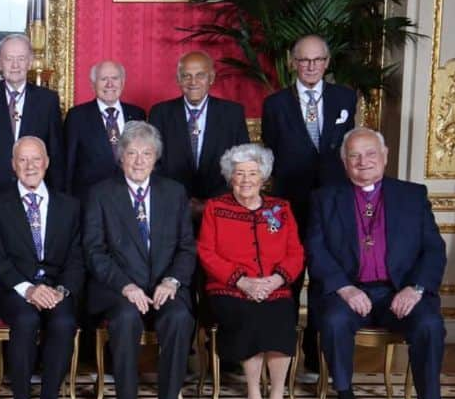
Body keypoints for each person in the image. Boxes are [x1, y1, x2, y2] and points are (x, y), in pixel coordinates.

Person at [307, 128, 449, 399]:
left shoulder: (412, 195)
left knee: (429, 323)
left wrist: (415, 288)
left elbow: (434, 249)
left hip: (400, 291)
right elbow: (316, 250)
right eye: (354, 155)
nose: (363, 161)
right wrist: (344, 288)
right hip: (350, 291)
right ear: (344, 162)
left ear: (384, 157)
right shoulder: (324, 197)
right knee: (332, 320)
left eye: (371, 153)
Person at [83, 121, 196, 399]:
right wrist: (126, 286)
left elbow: (187, 248)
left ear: (156, 157)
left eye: (146, 153)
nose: (138, 160)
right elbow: (94, 251)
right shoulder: (101, 193)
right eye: (131, 153)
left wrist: (172, 281)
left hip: (164, 287)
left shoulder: (173, 192)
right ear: (120, 157)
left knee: (178, 317)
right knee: (125, 318)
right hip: (118, 288)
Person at [262, 34, 357, 376]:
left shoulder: (345, 98)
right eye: (304, 60)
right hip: (290, 204)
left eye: (317, 60)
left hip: (333, 205)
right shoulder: (275, 105)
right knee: (288, 278)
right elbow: (270, 157)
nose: (311, 66)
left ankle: (316, 356)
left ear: (327, 62)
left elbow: (349, 150)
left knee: (325, 277)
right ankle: (283, 353)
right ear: (293, 62)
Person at [197, 144, 304, 399]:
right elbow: (206, 252)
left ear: (263, 177)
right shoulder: (216, 208)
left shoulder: (281, 209)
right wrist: (242, 281)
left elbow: (296, 253)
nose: (246, 180)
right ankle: (254, 396)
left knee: (281, 316)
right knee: (250, 315)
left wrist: (276, 280)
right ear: (230, 177)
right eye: (239, 174)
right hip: (229, 289)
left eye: (252, 174)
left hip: (274, 287)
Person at [0, 136, 84, 399]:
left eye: (36, 159)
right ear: (13, 165)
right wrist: (27, 288)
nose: (30, 166)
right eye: (23, 160)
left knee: (64, 320)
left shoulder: (69, 205)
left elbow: (77, 257)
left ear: (47, 163)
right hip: (13, 288)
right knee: (25, 320)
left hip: (56, 288)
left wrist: (62, 290)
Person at [0, 34, 65, 215]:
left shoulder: (47, 100)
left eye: (21, 59)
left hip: (35, 197)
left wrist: (57, 199)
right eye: (9, 59)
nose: (15, 65)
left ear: (30, 62)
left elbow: (55, 154)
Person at [148, 50, 249, 223]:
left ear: (211, 78)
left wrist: (210, 205)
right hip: (172, 209)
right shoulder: (160, 113)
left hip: (220, 208)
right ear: (178, 79)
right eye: (186, 76)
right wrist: (182, 202)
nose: (193, 82)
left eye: (200, 75)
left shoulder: (232, 113)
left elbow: (242, 165)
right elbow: (154, 164)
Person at [64, 59, 146, 204]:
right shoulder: (77, 116)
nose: (110, 84)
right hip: (90, 201)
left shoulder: (138, 114)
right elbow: (68, 164)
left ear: (122, 82)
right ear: (93, 84)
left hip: (131, 199)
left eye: (115, 78)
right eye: (103, 79)